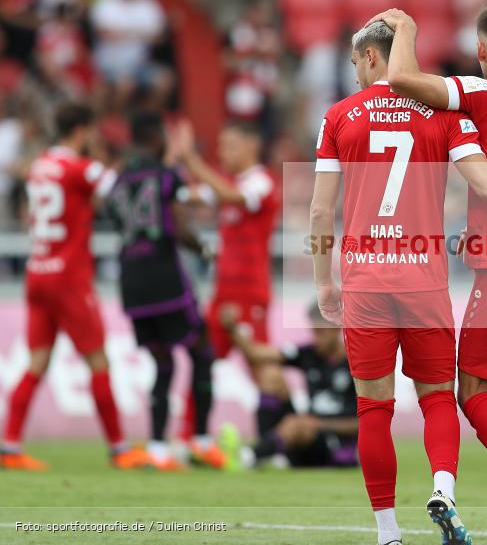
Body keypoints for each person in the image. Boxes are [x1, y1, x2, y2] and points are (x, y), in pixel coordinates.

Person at [310, 19, 487, 545]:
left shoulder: (342, 116)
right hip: (441, 279)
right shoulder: (451, 117)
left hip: (368, 277)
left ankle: (388, 534)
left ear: (371, 57)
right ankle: (459, 496)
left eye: (354, 63)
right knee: (448, 397)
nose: (354, 73)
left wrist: (324, 282)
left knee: (378, 407)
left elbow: (321, 212)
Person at [1, 103, 147, 471]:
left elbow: (75, 202)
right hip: (69, 278)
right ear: (82, 130)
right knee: (99, 361)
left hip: (38, 272)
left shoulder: (40, 165)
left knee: (36, 363)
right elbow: (119, 189)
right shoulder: (81, 168)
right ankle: (119, 449)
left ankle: (10, 445)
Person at [106, 113, 222, 471]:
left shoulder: (117, 181)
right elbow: (178, 224)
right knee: (202, 351)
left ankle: (158, 447)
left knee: (162, 362)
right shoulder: (165, 175)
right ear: (157, 139)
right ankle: (201, 441)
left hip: (130, 282)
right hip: (165, 279)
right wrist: (204, 249)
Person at [171, 121, 285, 441]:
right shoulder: (228, 184)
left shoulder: (261, 182)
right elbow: (189, 195)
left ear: (252, 145)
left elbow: (230, 196)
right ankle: (189, 438)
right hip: (222, 295)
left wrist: (192, 160)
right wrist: (168, 170)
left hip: (250, 294)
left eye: (230, 145)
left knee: (262, 369)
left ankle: (278, 437)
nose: (223, 152)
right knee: (202, 361)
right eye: (221, 146)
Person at [219, 303, 358, 470]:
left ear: (337, 329)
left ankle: (249, 456)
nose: (316, 338)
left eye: (321, 332)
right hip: (305, 435)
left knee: (297, 424)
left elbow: (363, 424)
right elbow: (255, 355)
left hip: (336, 445)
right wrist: (232, 328)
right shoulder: (309, 353)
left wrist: (318, 424)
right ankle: (268, 452)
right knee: (270, 374)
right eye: (314, 331)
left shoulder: (356, 363)